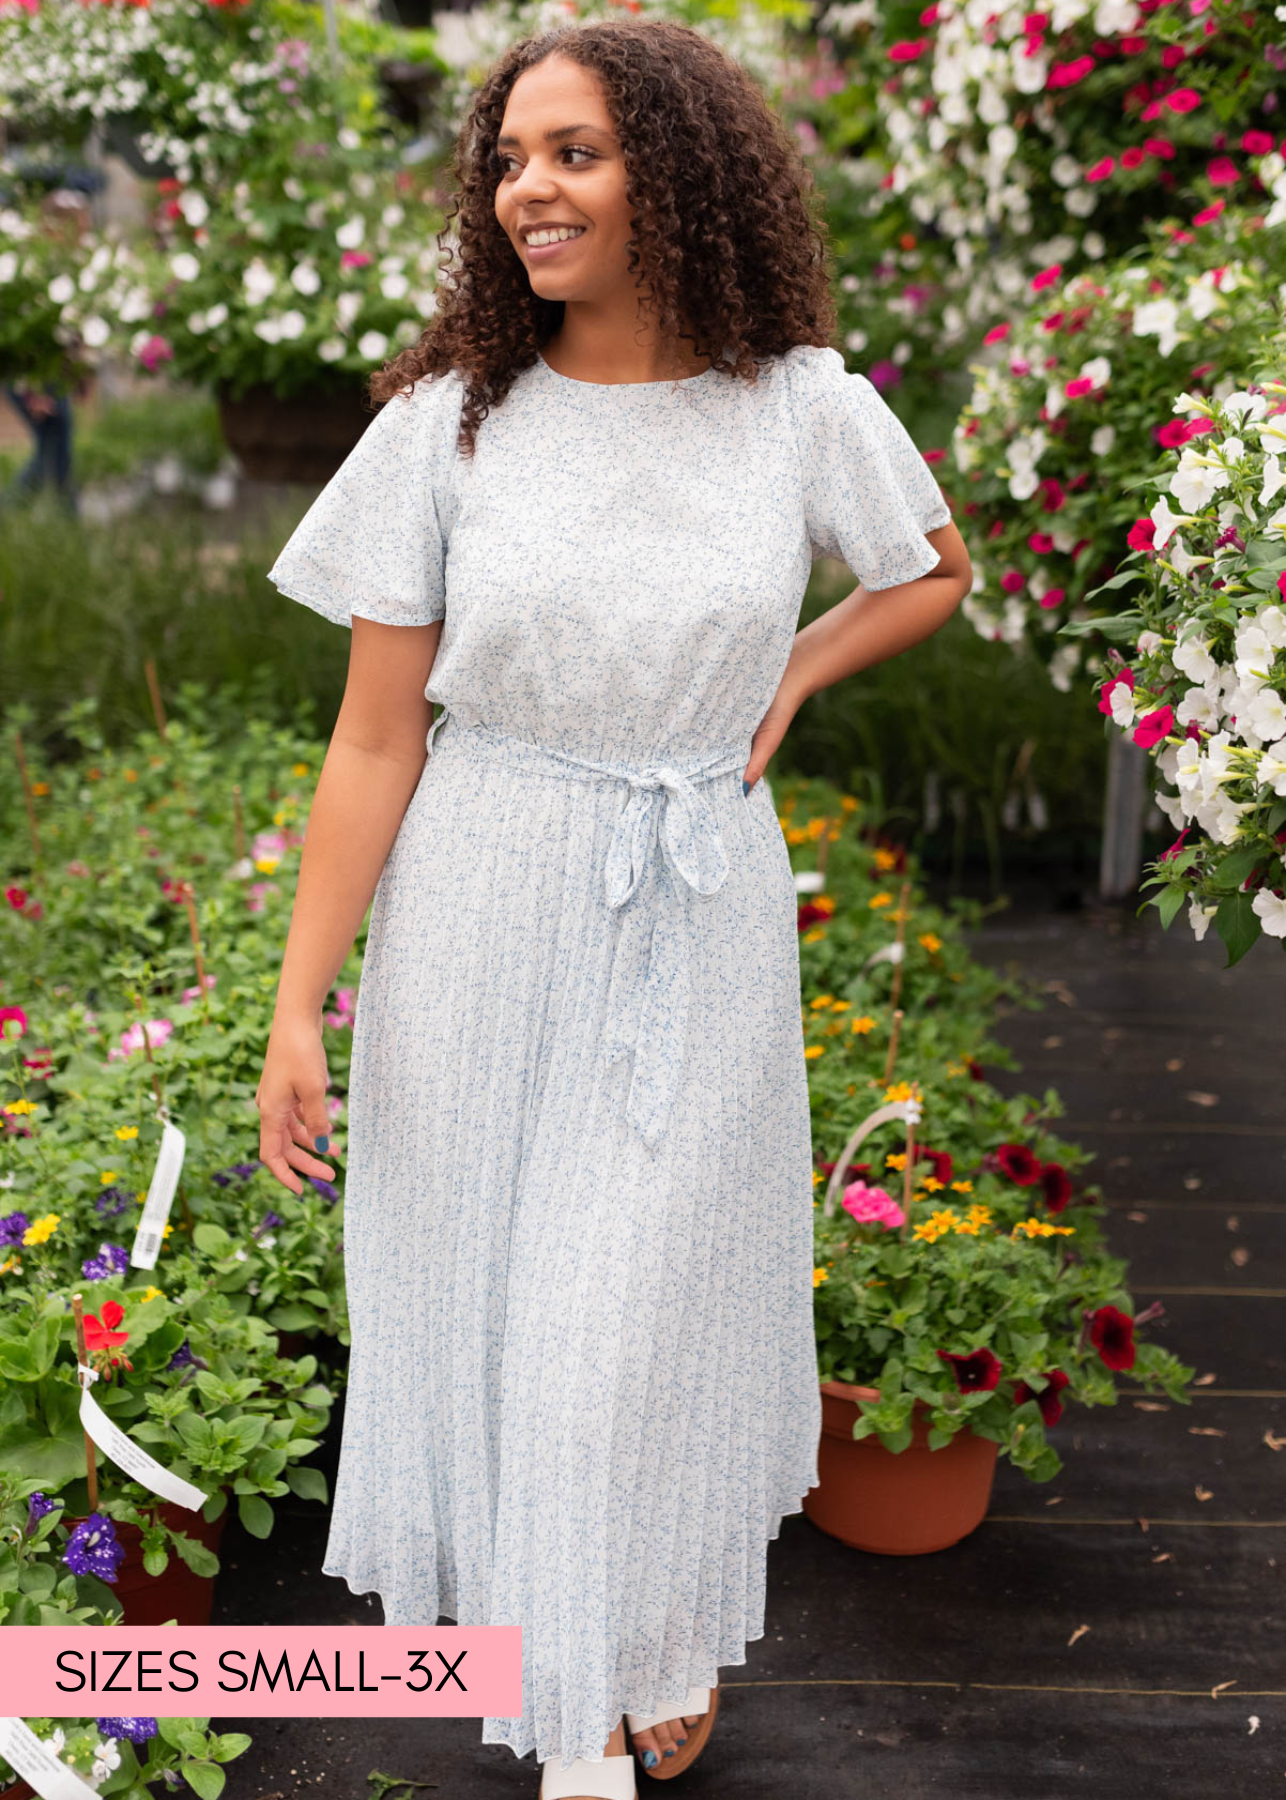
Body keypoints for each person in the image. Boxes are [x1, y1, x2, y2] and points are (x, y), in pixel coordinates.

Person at [255, 19, 972, 1799]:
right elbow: (368, 741)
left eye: (572, 151)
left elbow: (931, 571)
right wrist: (297, 1006)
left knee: (629, 1307)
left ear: (678, 168)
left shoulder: (799, 405)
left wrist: (793, 672)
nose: (527, 189)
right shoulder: (447, 426)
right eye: (508, 158)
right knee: (512, 1302)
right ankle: (599, 1667)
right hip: (482, 899)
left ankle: (608, 1658)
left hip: (691, 904)